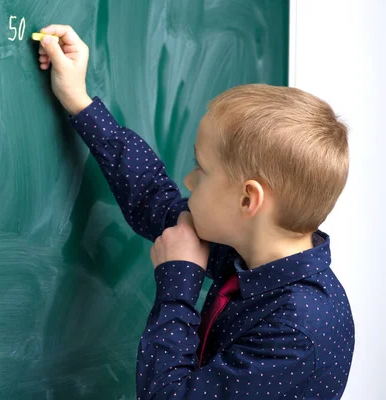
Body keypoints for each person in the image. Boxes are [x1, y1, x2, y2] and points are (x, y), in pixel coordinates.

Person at [37, 24, 355, 399]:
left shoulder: (296, 330)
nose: (188, 179)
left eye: (201, 170)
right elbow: (154, 199)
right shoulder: (251, 251)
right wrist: (79, 101)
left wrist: (178, 284)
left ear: (247, 200)